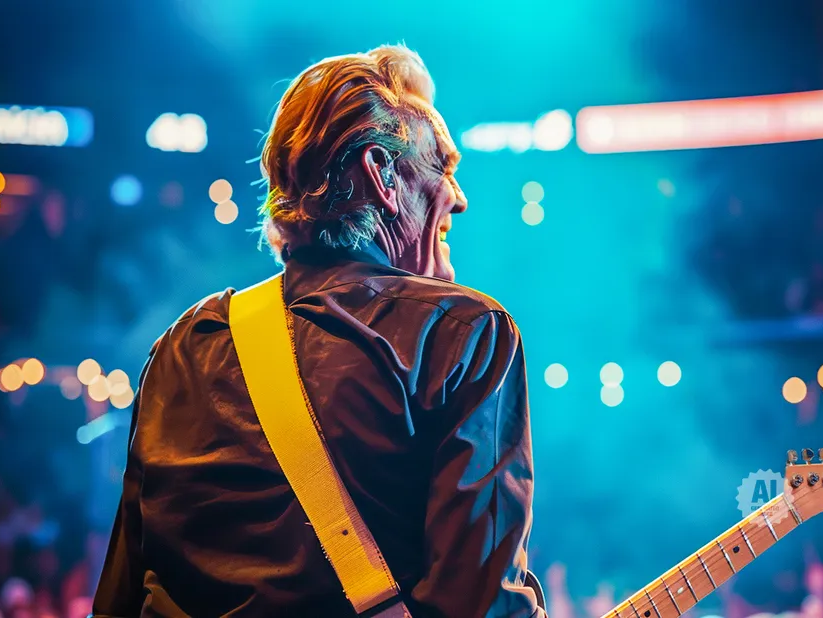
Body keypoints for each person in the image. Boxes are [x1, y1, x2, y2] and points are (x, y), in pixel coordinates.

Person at [93, 44, 544, 617]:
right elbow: (481, 608)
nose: (459, 198)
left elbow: (119, 598)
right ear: (381, 173)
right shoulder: (463, 336)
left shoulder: (185, 347)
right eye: (444, 168)